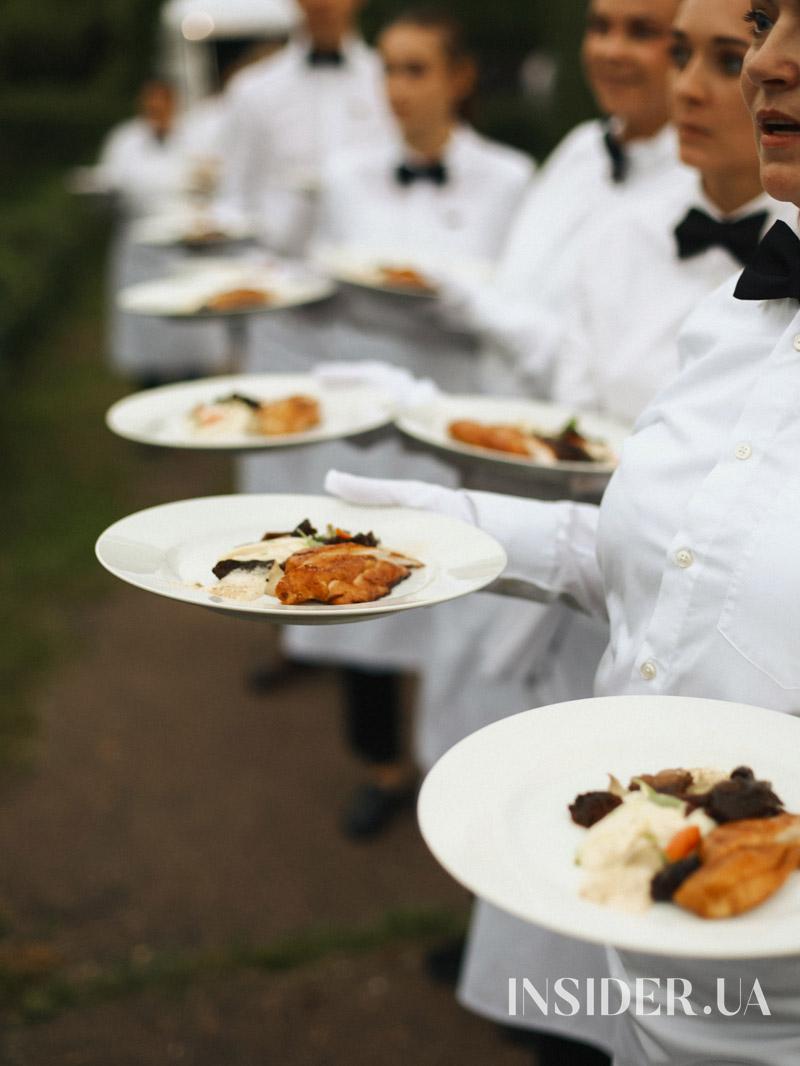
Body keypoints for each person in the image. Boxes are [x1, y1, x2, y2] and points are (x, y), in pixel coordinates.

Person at [324, 0, 800, 1059]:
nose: (762, 65)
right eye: (766, 24)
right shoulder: (738, 314)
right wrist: (447, 522)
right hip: (642, 917)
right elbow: (665, 565)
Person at [240, 7, 533, 838]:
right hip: (367, 414)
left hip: (457, 409)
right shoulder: (344, 176)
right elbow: (319, 284)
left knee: (456, 590)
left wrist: (452, 291)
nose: (397, 88)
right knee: (355, 582)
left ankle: (463, 773)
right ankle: (380, 762)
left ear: (459, 79)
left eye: (416, 69)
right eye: (390, 69)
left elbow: (520, 303)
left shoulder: (511, 179)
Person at [216, 0, 396, 257]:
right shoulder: (253, 90)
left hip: (371, 263)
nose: (323, 3)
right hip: (278, 267)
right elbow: (234, 198)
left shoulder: (388, 83)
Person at [98, 80, 225, 385]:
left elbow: (214, 186)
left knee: (193, 333)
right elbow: (108, 186)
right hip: (141, 251)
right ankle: (148, 386)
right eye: (150, 107)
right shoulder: (124, 141)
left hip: (187, 250)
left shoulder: (197, 138)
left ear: (174, 105)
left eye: (162, 105)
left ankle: (196, 385)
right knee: (147, 327)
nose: (156, 112)